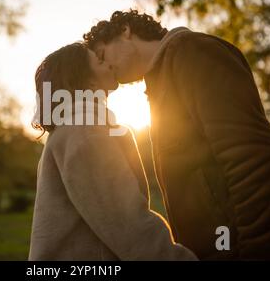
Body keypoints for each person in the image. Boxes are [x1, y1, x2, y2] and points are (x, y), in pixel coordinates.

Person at [83, 9, 270, 260]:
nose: (106, 67)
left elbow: (252, 157)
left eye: (102, 55)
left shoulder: (193, 52)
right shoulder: (160, 81)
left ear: (125, 31)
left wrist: (259, 251)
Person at [28, 42, 197, 261]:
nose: (109, 64)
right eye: (100, 61)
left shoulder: (77, 129)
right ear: (85, 79)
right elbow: (129, 225)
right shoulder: (84, 133)